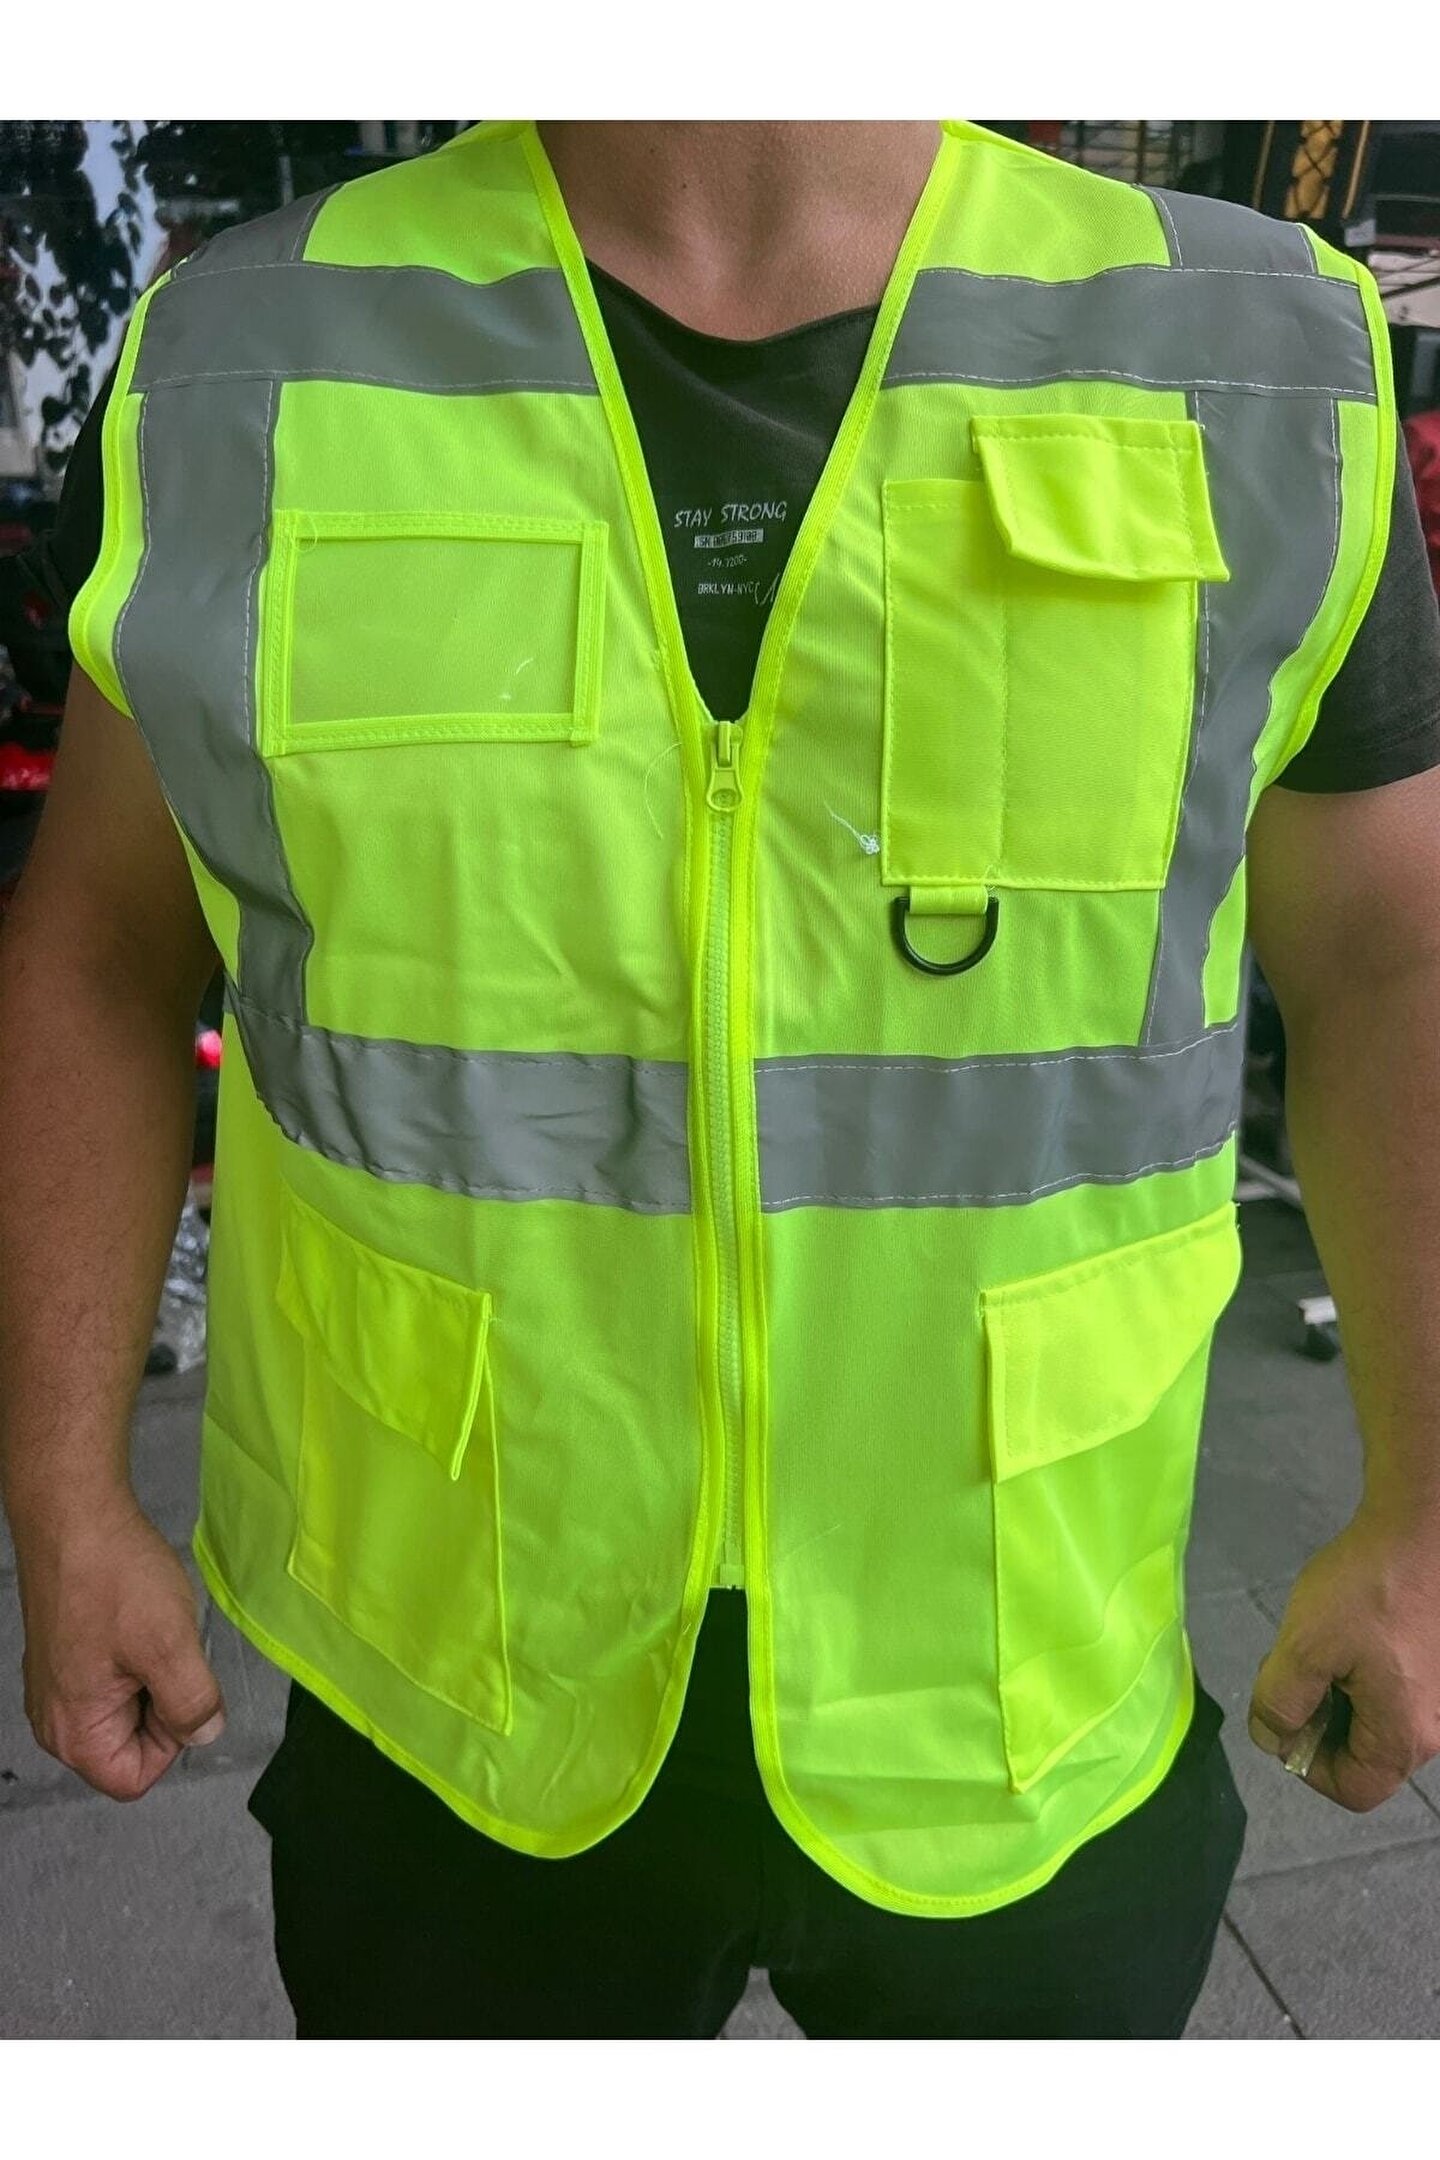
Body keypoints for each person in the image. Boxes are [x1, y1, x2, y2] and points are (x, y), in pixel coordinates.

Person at [3, 119, 1440, 2042]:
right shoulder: (243, 359)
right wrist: (61, 1488)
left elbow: (1395, 962)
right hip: (450, 1690)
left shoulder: (1251, 355)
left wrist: (1426, 1507)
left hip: (1024, 1689)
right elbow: (100, 953)